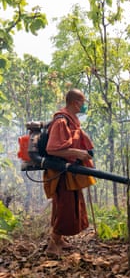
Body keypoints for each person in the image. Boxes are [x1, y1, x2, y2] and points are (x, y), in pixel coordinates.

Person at [43, 89, 96, 255]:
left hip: (69, 172)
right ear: (76, 102)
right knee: (65, 207)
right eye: (83, 102)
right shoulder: (61, 121)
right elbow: (52, 149)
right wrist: (77, 153)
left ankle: (59, 240)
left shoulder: (72, 120)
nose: (84, 105)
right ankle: (52, 245)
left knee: (70, 205)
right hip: (60, 173)